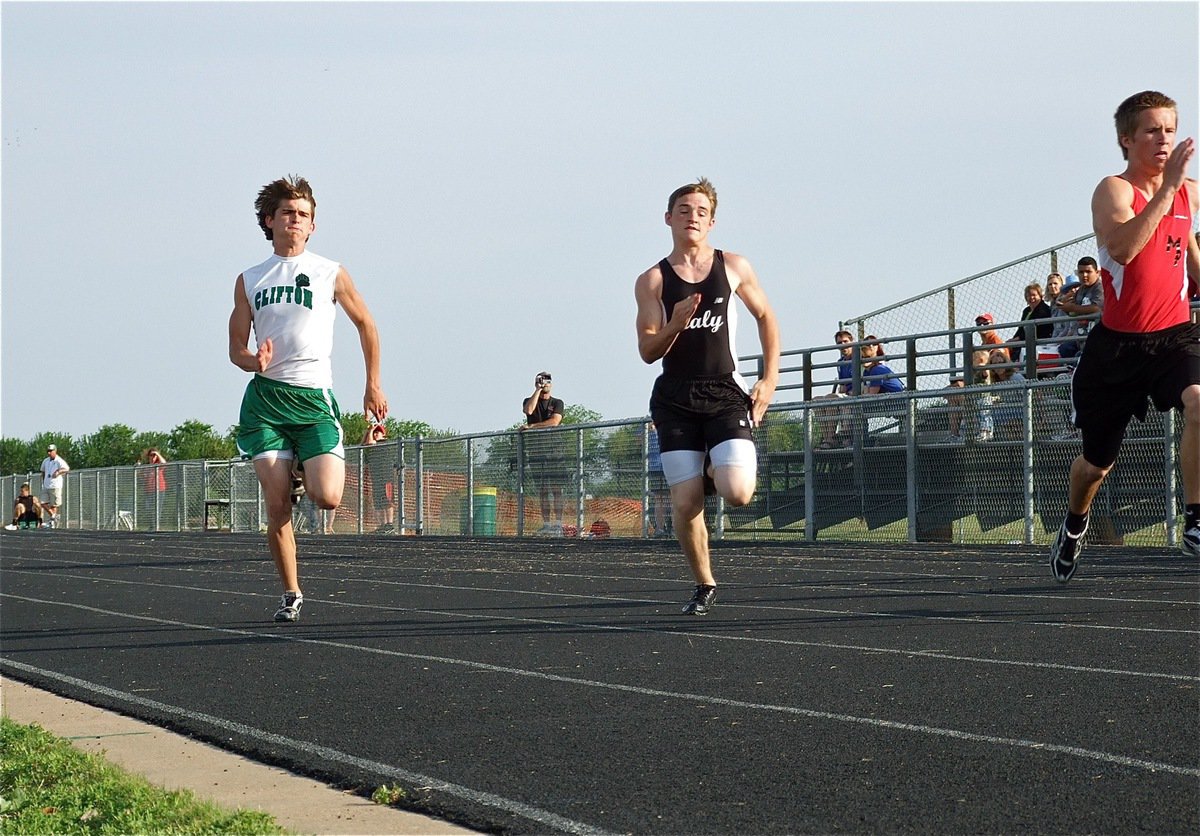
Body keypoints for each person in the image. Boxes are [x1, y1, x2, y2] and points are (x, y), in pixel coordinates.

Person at [1050, 90, 1200, 583]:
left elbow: (1187, 251)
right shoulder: (1113, 191)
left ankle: (1195, 520)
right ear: (1126, 139)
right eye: (1153, 130)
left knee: (1199, 399)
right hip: (1117, 348)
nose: (1164, 139)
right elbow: (1126, 248)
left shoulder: (1188, 193)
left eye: (1170, 130)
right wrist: (1166, 189)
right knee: (1096, 466)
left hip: (1174, 334)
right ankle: (1075, 523)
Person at [228, 175, 387, 621]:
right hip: (267, 403)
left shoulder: (330, 272)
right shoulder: (249, 280)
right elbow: (235, 346)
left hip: (314, 399)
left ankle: (302, 468)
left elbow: (367, 324)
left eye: (303, 215)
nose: (295, 221)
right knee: (276, 505)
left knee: (328, 498)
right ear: (269, 220)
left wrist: (373, 384)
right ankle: (291, 593)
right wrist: (250, 360)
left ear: (312, 225)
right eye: (287, 213)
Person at [634, 177, 780, 615]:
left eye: (700, 211)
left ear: (712, 221)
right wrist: (675, 323)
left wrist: (768, 379)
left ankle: (710, 467)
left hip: (723, 391)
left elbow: (766, 316)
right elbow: (646, 350)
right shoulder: (652, 280)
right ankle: (704, 584)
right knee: (685, 502)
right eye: (683, 210)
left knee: (737, 493)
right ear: (668, 218)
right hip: (674, 396)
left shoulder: (733, 265)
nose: (691, 217)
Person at [519, 371, 566, 535]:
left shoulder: (558, 402)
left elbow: (554, 422)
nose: (544, 383)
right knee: (543, 490)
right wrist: (537, 390)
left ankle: (558, 525)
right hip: (536, 452)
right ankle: (546, 525)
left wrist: (532, 427)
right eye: (541, 381)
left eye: (547, 381)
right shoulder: (530, 400)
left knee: (556, 489)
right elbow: (529, 411)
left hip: (554, 452)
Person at [1055, 256, 1105, 359]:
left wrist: (1072, 308)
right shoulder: (1081, 289)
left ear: (1097, 272)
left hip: (1097, 337)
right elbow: (1074, 311)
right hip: (1081, 337)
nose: (1084, 275)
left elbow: (1097, 308)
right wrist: (1066, 307)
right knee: (1064, 350)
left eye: (1088, 271)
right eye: (1081, 272)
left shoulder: (1099, 288)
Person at [813, 329, 856, 448]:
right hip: (845, 394)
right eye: (839, 343)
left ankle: (831, 439)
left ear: (852, 341)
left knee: (832, 398)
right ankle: (828, 437)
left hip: (856, 394)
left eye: (845, 341)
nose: (843, 345)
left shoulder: (860, 358)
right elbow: (842, 386)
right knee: (817, 400)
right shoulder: (841, 362)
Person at [361, 423, 396, 533]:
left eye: (378, 432)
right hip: (376, 478)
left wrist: (371, 430)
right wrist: (367, 432)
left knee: (387, 501)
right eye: (374, 432)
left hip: (386, 477)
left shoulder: (383, 443)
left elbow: (370, 443)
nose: (375, 434)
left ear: (383, 434)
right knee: (378, 502)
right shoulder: (372, 442)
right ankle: (382, 525)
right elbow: (363, 444)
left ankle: (389, 524)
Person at [1008, 281, 1053, 364]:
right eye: (1029, 296)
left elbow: (1039, 330)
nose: (1031, 298)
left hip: (1038, 341)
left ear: (1040, 296)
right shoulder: (1026, 311)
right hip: (1024, 340)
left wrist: (1017, 339)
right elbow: (1020, 329)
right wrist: (1013, 340)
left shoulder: (1044, 310)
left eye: (1034, 295)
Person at [39, 444, 69, 528]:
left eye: (51, 451)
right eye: (48, 451)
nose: (49, 453)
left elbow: (66, 469)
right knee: (42, 503)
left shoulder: (59, 460)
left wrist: (58, 472)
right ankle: (54, 515)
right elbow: (43, 471)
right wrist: (44, 480)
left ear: (55, 451)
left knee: (54, 505)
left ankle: (52, 523)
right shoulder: (45, 461)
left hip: (55, 485)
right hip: (46, 485)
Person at [138, 447, 169, 528]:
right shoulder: (147, 467)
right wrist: (138, 468)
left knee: (157, 508)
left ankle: (155, 526)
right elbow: (142, 475)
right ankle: (152, 524)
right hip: (149, 490)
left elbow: (164, 462)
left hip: (159, 490)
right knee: (148, 508)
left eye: (153, 455)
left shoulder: (158, 466)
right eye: (150, 455)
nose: (152, 457)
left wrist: (157, 454)